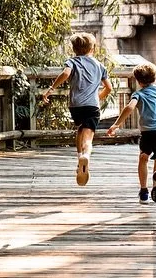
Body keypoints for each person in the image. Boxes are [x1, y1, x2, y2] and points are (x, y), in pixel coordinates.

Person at [40, 33, 113, 186]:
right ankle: (86, 155)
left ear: (74, 49)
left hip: (76, 105)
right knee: (88, 136)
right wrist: (97, 98)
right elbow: (109, 88)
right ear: (93, 48)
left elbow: (66, 73)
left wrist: (51, 88)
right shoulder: (100, 66)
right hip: (92, 106)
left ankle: (79, 157)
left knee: (80, 129)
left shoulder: (72, 61)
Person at [106, 63, 156, 204]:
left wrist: (116, 124)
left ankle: (144, 192)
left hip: (148, 133)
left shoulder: (139, 94)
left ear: (138, 80)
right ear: (155, 77)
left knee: (143, 158)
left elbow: (129, 107)